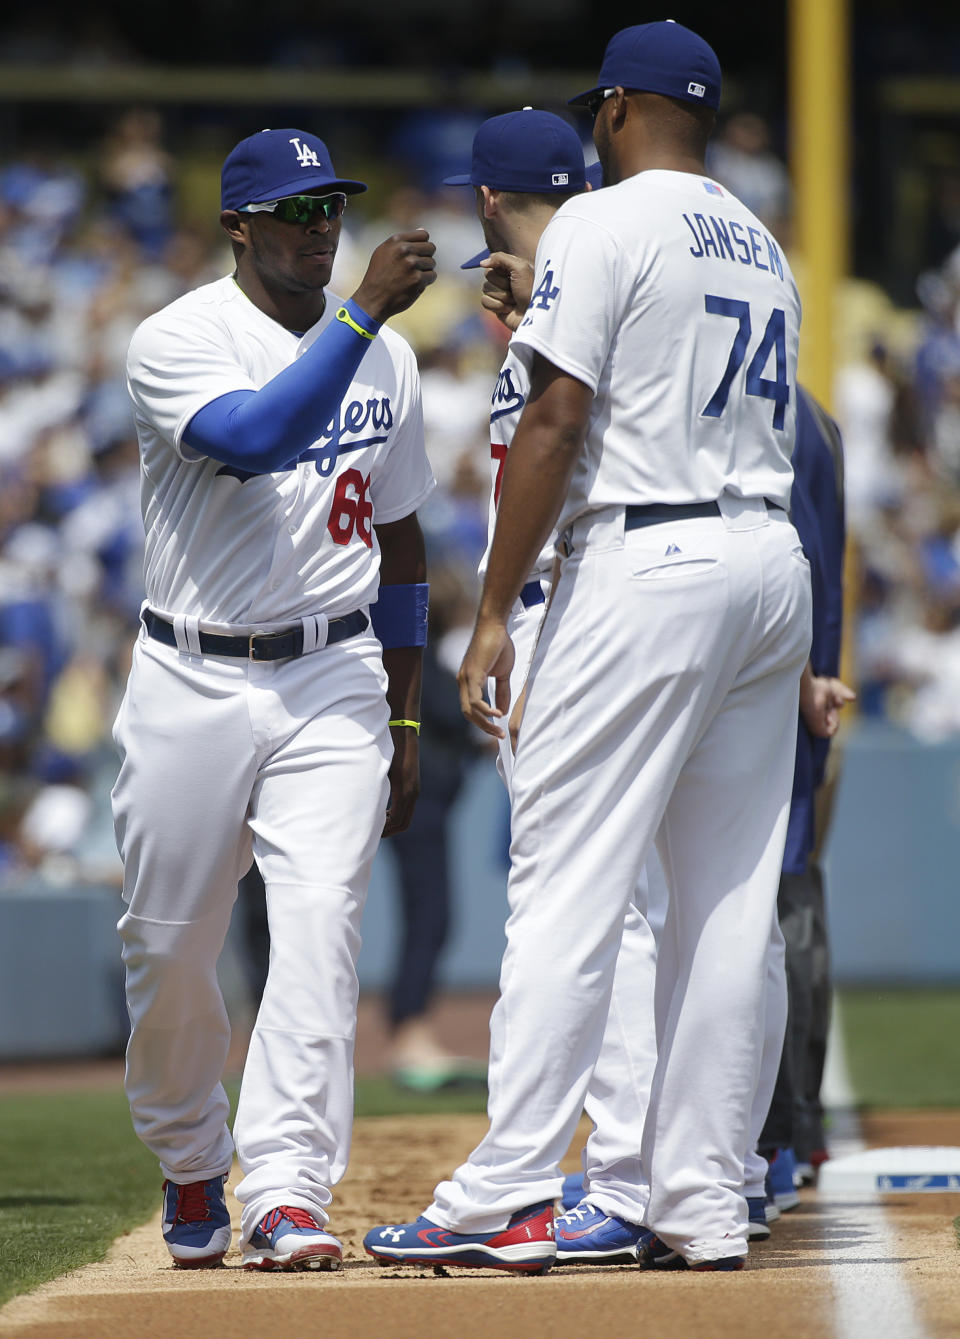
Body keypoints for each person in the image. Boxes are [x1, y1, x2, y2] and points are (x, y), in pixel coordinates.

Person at [364, 19, 810, 1274]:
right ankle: (701, 1200)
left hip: (647, 558)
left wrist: (496, 604)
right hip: (767, 562)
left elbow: (558, 420)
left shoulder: (609, 220)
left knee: (566, 881)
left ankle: (506, 1189)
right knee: (729, 910)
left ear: (615, 109)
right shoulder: (761, 237)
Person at [113, 127, 437, 1272]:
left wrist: (403, 716)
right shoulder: (178, 337)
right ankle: (192, 1154)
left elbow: (402, 550)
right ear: (238, 226)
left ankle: (289, 1187)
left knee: (320, 934)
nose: (319, 228)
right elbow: (254, 438)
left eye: (331, 207)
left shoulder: (384, 356)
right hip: (190, 673)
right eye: (294, 211)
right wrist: (364, 315)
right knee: (169, 950)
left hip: (332, 675)